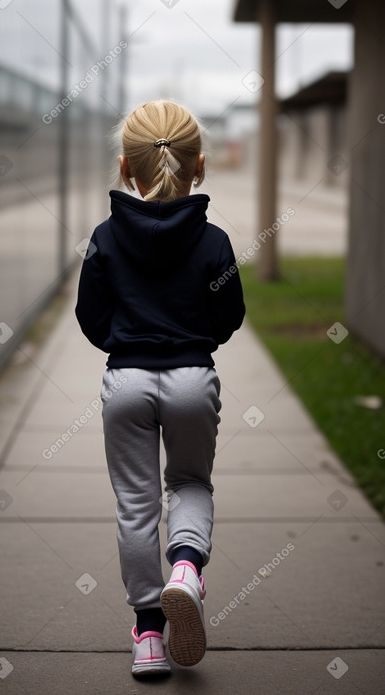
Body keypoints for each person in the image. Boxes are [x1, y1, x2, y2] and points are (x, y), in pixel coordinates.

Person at [75, 100, 245, 677]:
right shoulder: (215, 241)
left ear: (126, 168)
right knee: (191, 481)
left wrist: (125, 341)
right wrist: (194, 339)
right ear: (199, 166)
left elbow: (91, 317)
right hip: (192, 380)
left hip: (126, 380)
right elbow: (229, 316)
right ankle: (186, 570)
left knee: (136, 504)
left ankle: (149, 635)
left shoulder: (103, 237)